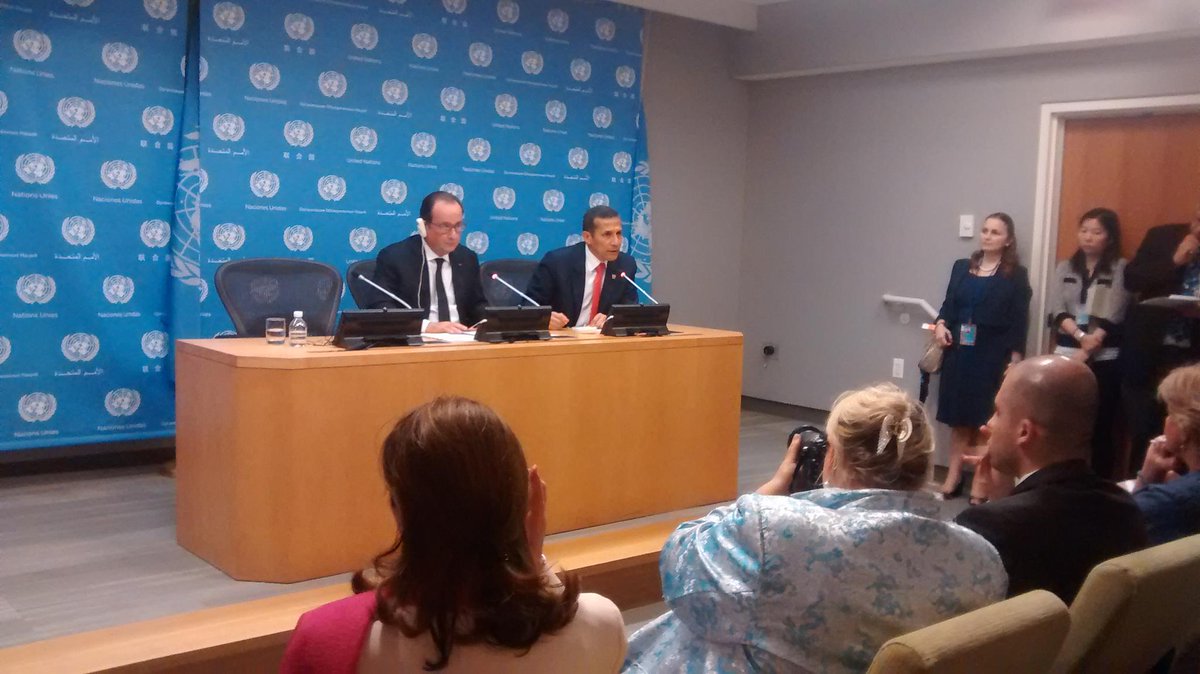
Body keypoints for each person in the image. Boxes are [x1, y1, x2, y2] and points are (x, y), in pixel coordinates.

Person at [624, 383, 1006, 674]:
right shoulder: (982, 561)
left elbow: (681, 571)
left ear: (832, 457)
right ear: (923, 466)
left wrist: (763, 495)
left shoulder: (774, 529)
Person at [281, 397, 627, 673]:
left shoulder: (325, 638)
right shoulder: (601, 625)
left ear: (399, 511)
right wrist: (531, 561)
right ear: (524, 504)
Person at [955, 355, 1148, 603]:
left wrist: (985, 505)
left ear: (1024, 432)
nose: (988, 424)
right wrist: (999, 495)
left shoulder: (988, 526)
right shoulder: (1125, 509)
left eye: (998, 412)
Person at [933, 213, 1032, 502]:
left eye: (996, 232)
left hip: (991, 354)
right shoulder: (962, 267)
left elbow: (1019, 320)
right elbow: (948, 305)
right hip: (959, 352)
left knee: (984, 421)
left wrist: (1015, 359)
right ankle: (953, 476)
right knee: (958, 419)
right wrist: (940, 325)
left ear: (1008, 240)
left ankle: (980, 480)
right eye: (985, 230)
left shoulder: (1016, 274)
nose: (988, 236)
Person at [1049, 207, 1130, 478]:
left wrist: (1091, 345)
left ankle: (1098, 483)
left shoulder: (1120, 267)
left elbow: (1116, 311)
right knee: (1063, 422)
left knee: (1101, 425)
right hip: (1067, 351)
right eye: (1084, 230)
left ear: (1109, 237)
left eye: (1096, 232)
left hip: (1105, 356)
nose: (1088, 237)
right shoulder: (1065, 266)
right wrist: (1081, 338)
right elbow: (1057, 309)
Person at [1123, 200, 1200, 468]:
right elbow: (1132, 279)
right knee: (1144, 432)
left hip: (1191, 358)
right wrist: (1174, 261)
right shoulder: (1162, 236)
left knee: (1187, 435)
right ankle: (1142, 483)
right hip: (1149, 352)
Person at [368, 191, 487, 333]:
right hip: (417, 340)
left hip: (462, 339)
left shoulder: (467, 258)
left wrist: (485, 323)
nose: (453, 235)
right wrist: (426, 327)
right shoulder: (395, 257)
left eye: (458, 226)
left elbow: (478, 305)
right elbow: (381, 307)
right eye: (445, 226)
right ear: (424, 226)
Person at [526, 205, 638, 330]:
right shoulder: (557, 263)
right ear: (587, 237)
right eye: (607, 234)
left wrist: (612, 319)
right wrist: (544, 319)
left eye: (618, 233)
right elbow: (528, 307)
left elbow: (630, 312)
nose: (616, 242)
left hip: (601, 339)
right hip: (563, 337)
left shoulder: (625, 265)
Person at [1132, 363, 1200, 545]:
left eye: (1170, 412)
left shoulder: (1163, 502)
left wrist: (1147, 476)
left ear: (1184, 429)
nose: (1166, 420)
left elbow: (1125, 526)